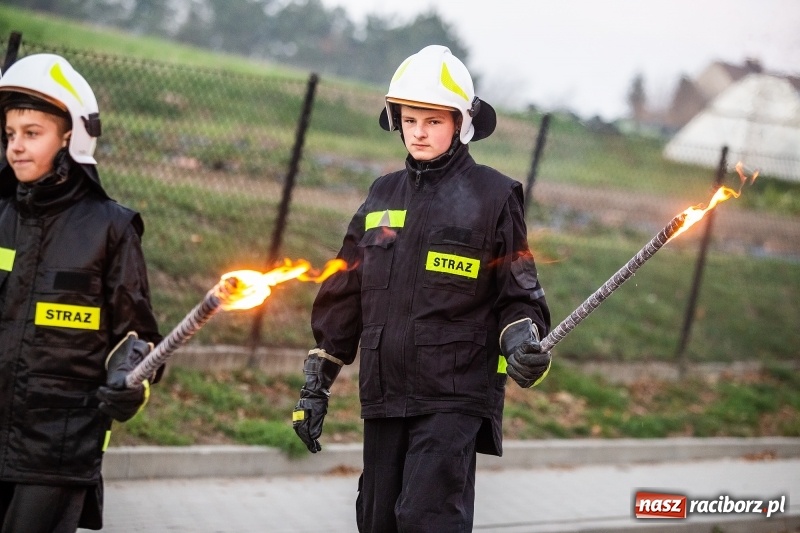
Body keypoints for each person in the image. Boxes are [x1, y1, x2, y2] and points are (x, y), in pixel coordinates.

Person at [292, 45, 552, 532]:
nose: (419, 132)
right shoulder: (381, 195)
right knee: (377, 521)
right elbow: (345, 291)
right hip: (385, 394)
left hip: (453, 396)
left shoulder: (493, 197)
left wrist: (523, 342)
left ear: (461, 123)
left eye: (433, 121)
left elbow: (517, 292)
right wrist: (315, 386)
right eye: (410, 120)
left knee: (426, 520)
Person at [0, 53, 162, 532]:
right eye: (10, 134)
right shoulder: (1, 217)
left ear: (70, 135)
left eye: (32, 133)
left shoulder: (111, 228)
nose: (16, 147)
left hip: (57, 445)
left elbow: (137, 337)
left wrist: (133, 380)